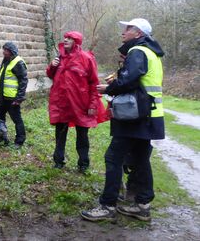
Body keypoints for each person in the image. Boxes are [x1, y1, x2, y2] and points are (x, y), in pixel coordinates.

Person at [81, 18, 165, 222]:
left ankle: (108, 206)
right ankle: (143, 205)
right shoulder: (150, 52)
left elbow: (128, 80)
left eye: (127, 28)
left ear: (138, 33)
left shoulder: (138, 52)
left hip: (134, 117)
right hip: (148, 116)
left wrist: (109, 88)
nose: (123, 32)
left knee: (113, 157)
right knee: (141, 160)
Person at [46, 31, 108, 173]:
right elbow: (51, 75)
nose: (66, 40)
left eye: (69, 38)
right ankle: (58, 161)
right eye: (65, 38)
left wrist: (93, 104)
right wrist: (52, 66)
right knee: (60, 133)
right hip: (62, 104)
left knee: (82, 135)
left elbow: (94, 83)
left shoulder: (86, 58)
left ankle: (83, 164)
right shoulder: (60, 58)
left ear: (76, 41)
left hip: (80, 104)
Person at [0, 42, 27, 148]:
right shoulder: (6, 60)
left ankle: (19, 141)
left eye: (6, 50)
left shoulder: (18, 62)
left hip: (13, 98)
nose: (3, 52)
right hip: (3, 96)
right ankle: (0, 136)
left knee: (16, 119)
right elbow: (5, 75)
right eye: (3, 50)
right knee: (0, 115)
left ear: (11, 51)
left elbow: (23, 81)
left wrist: (19, 98)